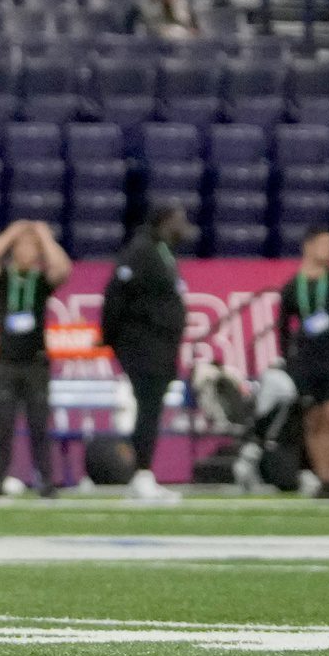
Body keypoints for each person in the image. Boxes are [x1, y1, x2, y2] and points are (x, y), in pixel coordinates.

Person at [101, 200, 191, 502]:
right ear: (163, 221)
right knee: (148, 407)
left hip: (161, 346)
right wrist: (113, 337)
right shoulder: (142, 251)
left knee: (152, 408)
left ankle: (144, 472)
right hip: (144, 345)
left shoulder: (163, 253)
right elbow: (116, 295)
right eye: (178, 220)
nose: (183, 227)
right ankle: (141, 473)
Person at [0, 218, 71, 499]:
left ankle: (46, 481)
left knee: (40, 425)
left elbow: (63, 269)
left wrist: (44, 237)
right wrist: (12, 232)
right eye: (22, 246)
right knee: (3, 425)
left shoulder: (40, 282)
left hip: (35, 363)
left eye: (32, 248)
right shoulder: (3, 280)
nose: (27, 251)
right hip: (6, 362)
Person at [273, 226, 329, 499]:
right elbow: (284, 327)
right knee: (314, 420)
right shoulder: (292, 286)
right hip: (305, 363)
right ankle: (323, 479)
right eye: (325, 244)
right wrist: (289, 358)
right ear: (309, 246)